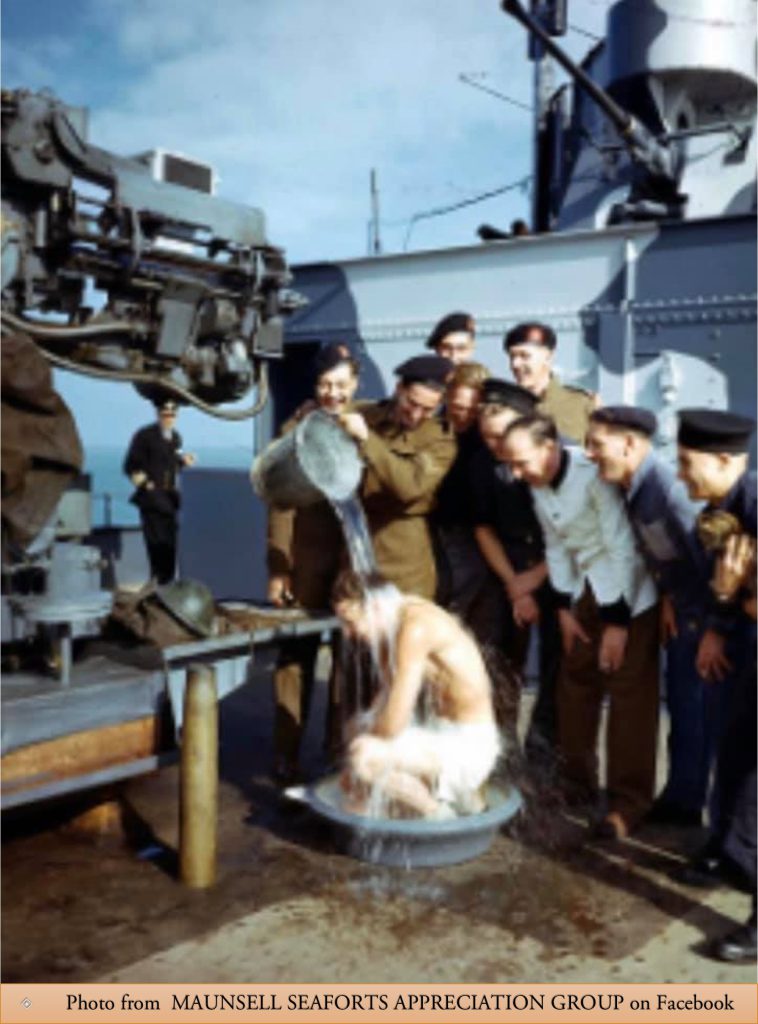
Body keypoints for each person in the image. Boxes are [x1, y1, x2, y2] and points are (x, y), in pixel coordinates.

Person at [501, 413, 659, 840]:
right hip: (584, 592)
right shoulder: (537, 485)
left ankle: (628, 804)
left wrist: (618, 623)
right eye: (510, 465)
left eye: (521, 463)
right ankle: (576, 785)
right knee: (574, 688)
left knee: (629, 702)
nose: (517, 474)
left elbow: (621, 548)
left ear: (549, 450)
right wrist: (564, 609)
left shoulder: (591, 477)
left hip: (627, 597)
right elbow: (557, 545)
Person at [585, 405, 730, 828]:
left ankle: (716, 826)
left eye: (598, 444)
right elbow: (669, 555)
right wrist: (668, 593)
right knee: (685, 711)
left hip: (706, 619)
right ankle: (683, 800)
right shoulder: (630, 486)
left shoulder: (668, 490)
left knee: (706, 716)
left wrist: (714, 629)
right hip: (683, 612)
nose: (590, 453)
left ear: (629, 444)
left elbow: (716, 562)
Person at [675, 408, 756, 963]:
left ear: (724, 460)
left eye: (687, 464)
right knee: (732, 751)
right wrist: (720, 622)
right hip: (747, 647)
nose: (681, 476)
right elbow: (722, 583)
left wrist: (733, 598)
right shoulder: (723, 505)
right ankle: (729, 853)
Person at [333, 570, 500, 819]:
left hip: (469, 747)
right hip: (440, 736)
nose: (347, 633)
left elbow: (393, 724)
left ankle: (439, 818)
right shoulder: (391, 622)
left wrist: (364, 753)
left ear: (375, 607)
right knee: (355, 755)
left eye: (350, 621)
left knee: (364, 758)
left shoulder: (416, 628)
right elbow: (384, 703)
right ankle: (455, 801)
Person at [266, 342, 360, 783]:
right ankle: (287, 753)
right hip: (307, 561)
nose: (333, 393)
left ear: (354, 384)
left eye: (341, 384)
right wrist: (279, 567)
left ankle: (336, 753)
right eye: (325, 384)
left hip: (352, 564)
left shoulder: (367, 425)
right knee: (294, 657)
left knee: (348, 660)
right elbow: (281, 505)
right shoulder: (295, 428)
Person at [468, 379, 561, 754]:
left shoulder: (556, 457)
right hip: (507, 570)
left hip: (556, 569)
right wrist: (514, 585)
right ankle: (500, 754)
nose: (495, 447)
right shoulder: (482, 464)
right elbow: (483, 528)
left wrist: (533, 581)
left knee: (557, 671)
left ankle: (543, 757)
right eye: (487, 438)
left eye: (500, 437)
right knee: (503, 666)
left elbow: (570, 535)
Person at [339, 355, 456, 599]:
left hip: (403, 561)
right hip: (355, 550)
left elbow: (410, 486)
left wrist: (366, 440)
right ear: (399, 388)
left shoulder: (440, 439)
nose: (416, 414)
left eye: (428, 409)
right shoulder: (366, 414)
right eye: (411, 403)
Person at [432, 362, 490, 617]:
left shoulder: (487, 438)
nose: (464, 415)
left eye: (472, 410)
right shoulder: (431, 431)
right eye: (458, 407)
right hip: (436, 532)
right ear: (446, 397)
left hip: (478, 534)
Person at [124, 398, 196, 584]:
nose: (169, 417)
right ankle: (158, 586)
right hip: (152, 501)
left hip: (171, 501)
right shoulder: (145, 436)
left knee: (170, 547)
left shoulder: (176, 437)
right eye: (165, 413)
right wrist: (145, 485)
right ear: (158, 413)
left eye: (172, 414)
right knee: (156, 547)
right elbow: (130, 465)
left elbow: (171, 463)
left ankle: (167, 586)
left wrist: (183, 462)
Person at [504, 322, 597, 443]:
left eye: (524, 356)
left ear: (548, 357)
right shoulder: (506, 408)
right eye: (512, 357)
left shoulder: (580, 405)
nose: (514, 364)